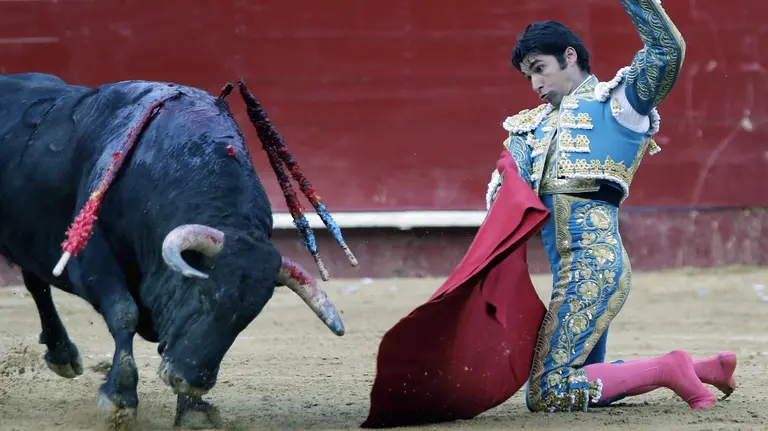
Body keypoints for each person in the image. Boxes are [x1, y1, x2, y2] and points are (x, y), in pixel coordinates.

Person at [485, 0, 737, 413]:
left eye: (540, 68)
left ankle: (670, 369)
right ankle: (705, 368)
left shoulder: (618, 103)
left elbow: (666, 52)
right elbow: (506, 202)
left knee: (549, 391)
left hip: (594, 266)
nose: (534, 84)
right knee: (584, 381)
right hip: (565, 270)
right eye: (527, 75)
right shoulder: (530, 126)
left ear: (569, 56)